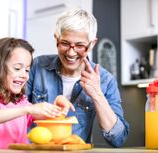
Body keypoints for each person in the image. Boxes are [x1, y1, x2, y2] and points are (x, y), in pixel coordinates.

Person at [27, 8, 129, 147]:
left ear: (92, 43)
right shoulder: (37, 66)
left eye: (80, 45)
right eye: (65, 43)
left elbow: (118, 139)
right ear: (56, 38)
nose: (71, 52)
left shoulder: (106, 80)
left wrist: (97, 95)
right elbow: (15, 112)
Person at [0, 37, 72, 149]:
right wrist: (26, 110)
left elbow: (47, 117)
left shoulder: (22, 102)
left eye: (27, 70)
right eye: (17, 68)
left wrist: (57, 108)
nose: (24, 75)